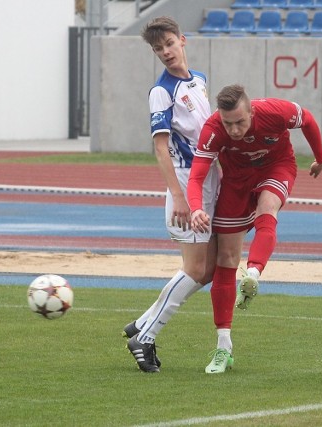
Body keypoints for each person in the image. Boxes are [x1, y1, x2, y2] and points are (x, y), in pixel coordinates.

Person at [188, 84, 322, 372]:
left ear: (252, 111)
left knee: (268, 208)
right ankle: (223, 348)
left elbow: (309, 120)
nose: (235, 130)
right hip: (236, 181)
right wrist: (196, 207)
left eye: (240, 121)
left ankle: (252, 273)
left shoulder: (276, 111)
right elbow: (197, 174)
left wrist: (320, 158)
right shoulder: (214, 128)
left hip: (277, 166)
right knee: (225, 259)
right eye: (229, 124)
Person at [122, 16, 220, 373]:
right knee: (195, 269)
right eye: (157, 48)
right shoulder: (161, 91)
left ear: (183, 41)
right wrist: (179, 198)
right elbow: (161, 149)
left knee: (206, 271)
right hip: (186, 185)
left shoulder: (199, 81)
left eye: (168, 44)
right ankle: (144, 337)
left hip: (209, 183)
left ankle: (142, 322)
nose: (164, 52)